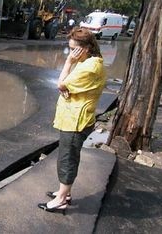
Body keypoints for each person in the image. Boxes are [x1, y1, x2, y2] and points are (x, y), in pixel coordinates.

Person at [38, 27, 106, 214]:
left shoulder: (89, 67)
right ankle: (64, 193)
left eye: (73, 49)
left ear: (85, 48)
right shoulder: (88, 62)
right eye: (70, 49)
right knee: (67, 156)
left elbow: (61, 83)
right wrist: (65, 85)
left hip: (76, 122)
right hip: (73, 117)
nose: (71, 53)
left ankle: (61, 200)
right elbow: (64, 86)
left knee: (67, 159)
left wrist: (68, 63)